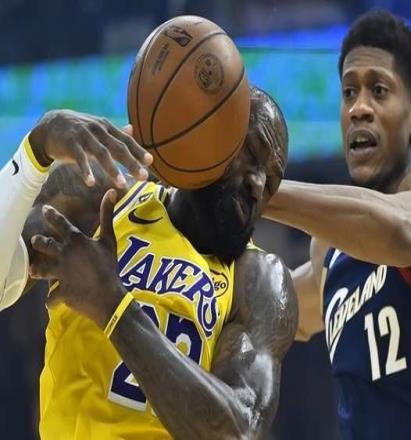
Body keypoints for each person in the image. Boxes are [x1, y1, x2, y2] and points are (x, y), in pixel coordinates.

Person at [2, 86, 297, 439]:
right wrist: (34, 153)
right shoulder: (101, 198)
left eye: (272, 182)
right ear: (209, 133)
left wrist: (113, 305)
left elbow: (238, 432)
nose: (258, 185)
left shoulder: (260, 279)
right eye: (251, 153)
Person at [264, 10, 411, 440]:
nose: (359, 109)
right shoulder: (328, 252)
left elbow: (401, 232)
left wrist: (260, 191)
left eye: (378, 90)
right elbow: (267, 311)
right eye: (349, 92)